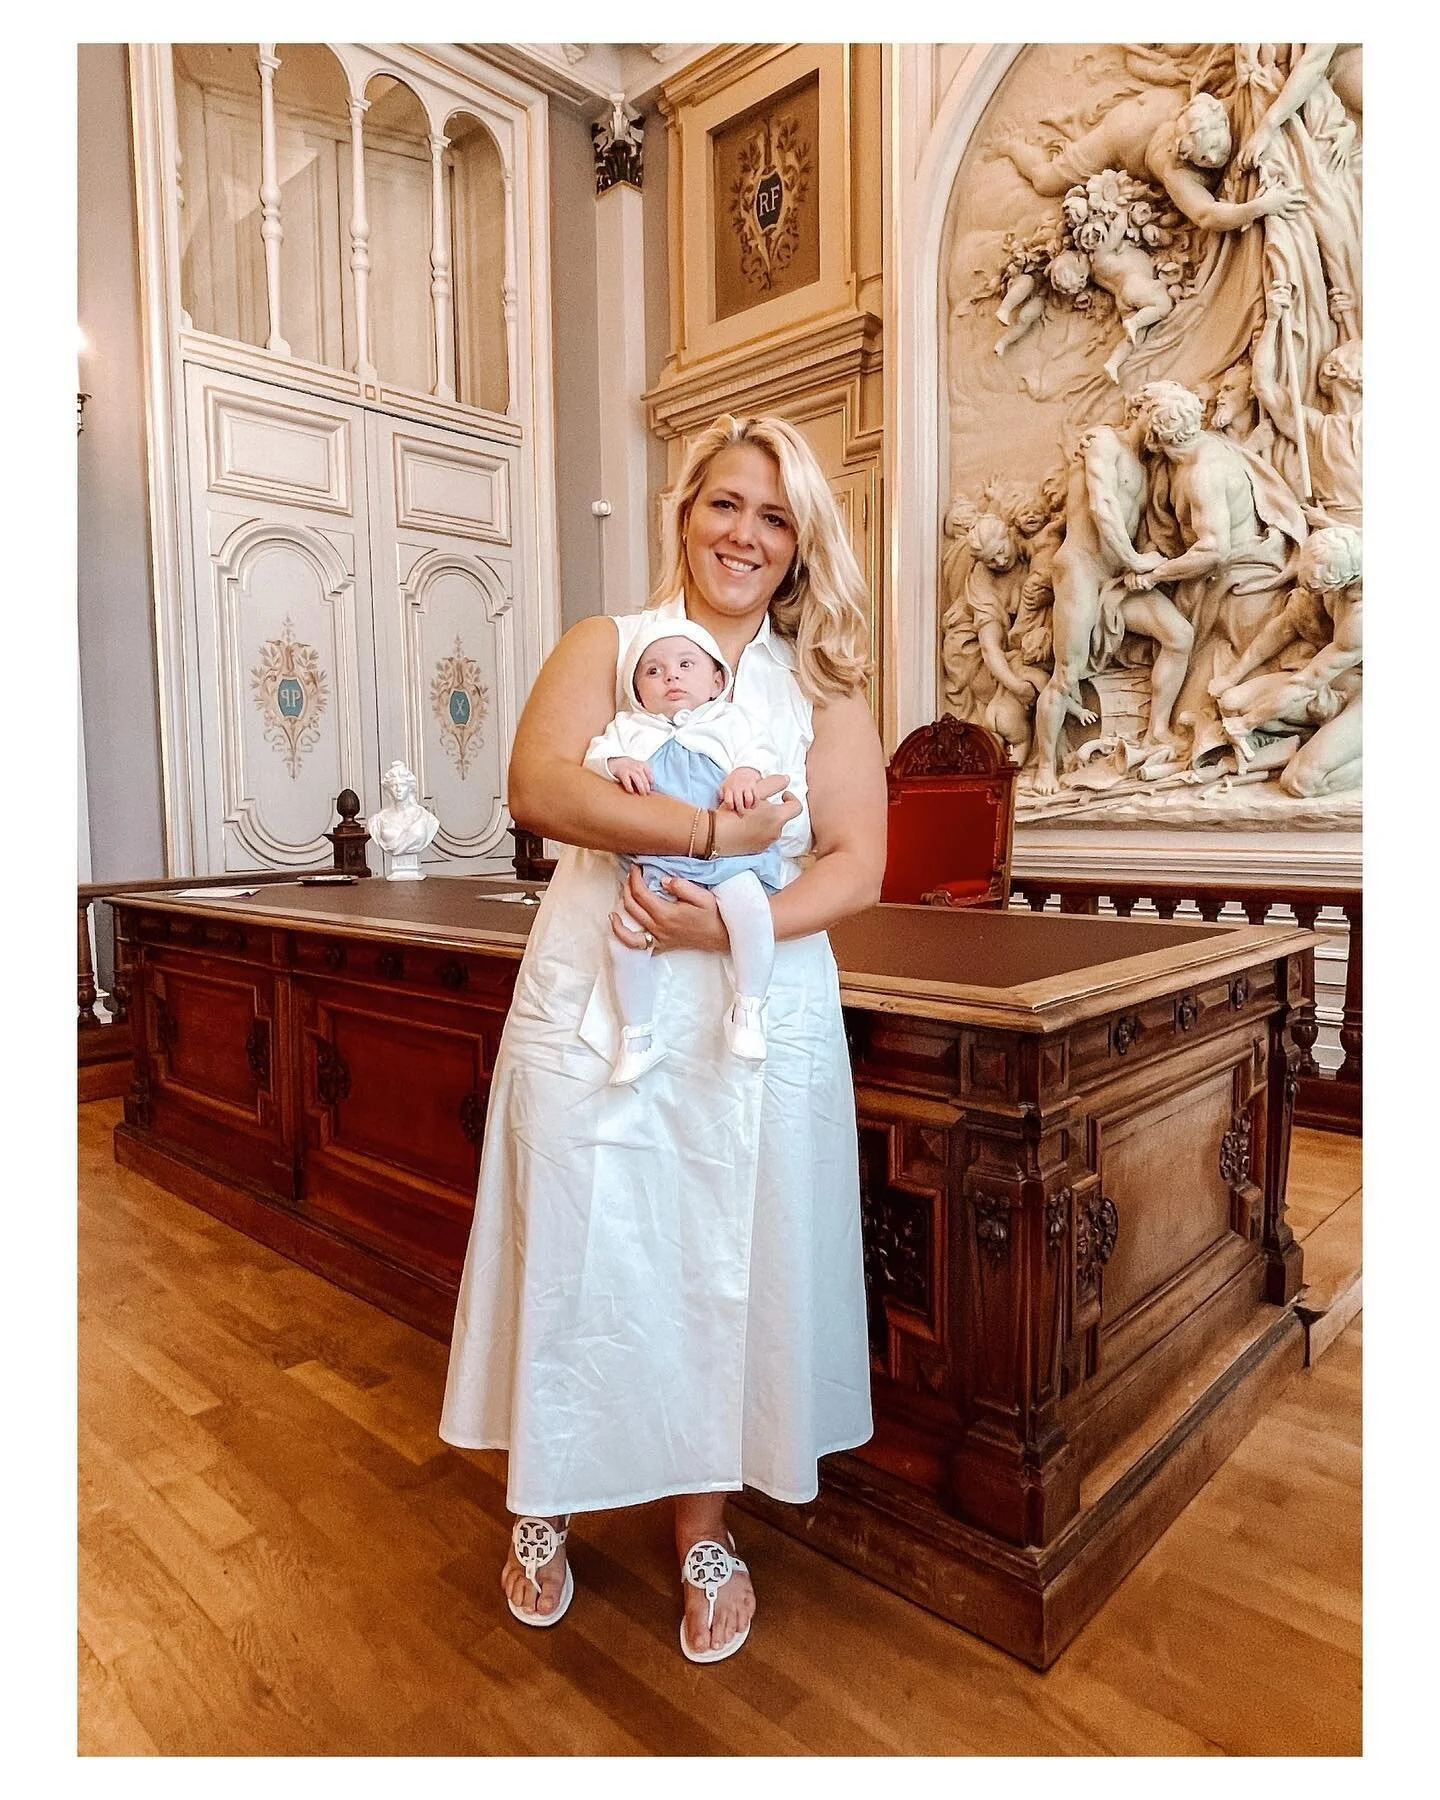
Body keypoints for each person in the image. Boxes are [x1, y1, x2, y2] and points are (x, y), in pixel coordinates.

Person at [439, 413, 887, 1665]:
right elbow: (539, 785)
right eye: (726, 505)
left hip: (753, 1000)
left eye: (775, 516)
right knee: (576, 1238)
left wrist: (723, 927)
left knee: (720, 1257)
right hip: (598, 980)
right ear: (684, 512)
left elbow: (858, 862)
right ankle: (544, 1499)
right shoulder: (609, 644)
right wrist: (707, 843)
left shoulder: (823, 692)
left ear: (801, 547)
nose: (745, 535)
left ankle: (703, 1527)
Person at [581, 616, 790, 1083]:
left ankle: (749, 1007)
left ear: (717, 680)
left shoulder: (730, 722)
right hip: (659, 861)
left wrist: (745, 774)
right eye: (652, 671)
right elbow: (593, 760)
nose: (670, 676)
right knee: (624, 938)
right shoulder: (629, 728)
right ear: (636, 690)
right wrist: (618, 763)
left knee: (753, 912)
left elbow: (762, 754)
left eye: (685, 664)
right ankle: (638, 1035)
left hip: (728, 859)